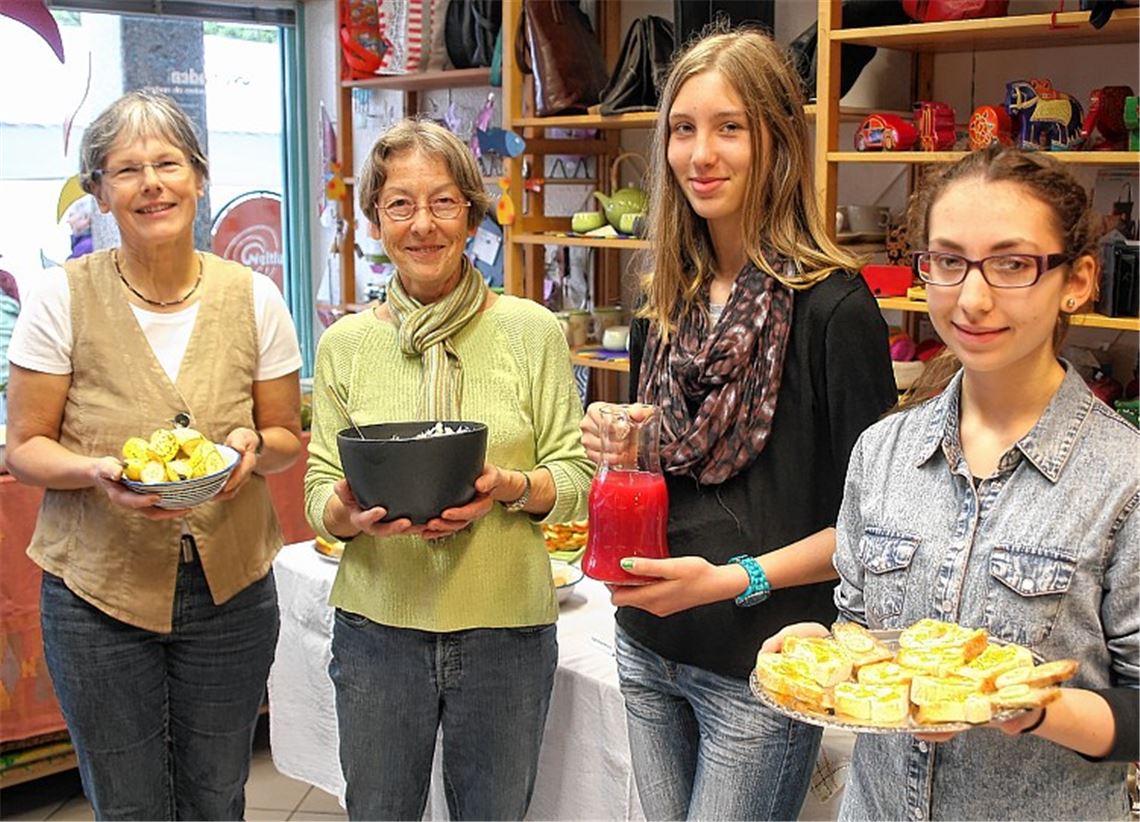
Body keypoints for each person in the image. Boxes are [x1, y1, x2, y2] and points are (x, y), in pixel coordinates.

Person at [578, 28, 897, 820]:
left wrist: (737, 578)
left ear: (777, 139)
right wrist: (624, 441)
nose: (701, 153)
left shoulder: (834, 308)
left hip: (761, 664)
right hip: (648, 647)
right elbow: (666, 466)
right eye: (684, 128)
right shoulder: (667, 299)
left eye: (730, 127)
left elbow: (877, 527)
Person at [766, 146, 1139, 820]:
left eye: (1012, 264)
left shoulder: (1124, 479)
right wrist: (821, 650)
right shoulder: (882, 453)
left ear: (1077, 280)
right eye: (948, 261)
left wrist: (1027, 708)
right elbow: (864, 630)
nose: (972, 298)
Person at [5, 90, 302, 820]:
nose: (151, 184)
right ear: (100, 193)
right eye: (126, 169)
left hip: (230, 591)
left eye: (168, 163)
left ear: (199, 178)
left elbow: (287, 439)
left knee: (215, 793)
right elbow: (26, 449)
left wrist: (249, 451)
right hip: (97, 595)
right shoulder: (59, 298)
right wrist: (94, 472)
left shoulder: (255, 296)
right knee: (129, 803)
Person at [304, 118, 594, 821]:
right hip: (378, 630)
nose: (422, 224)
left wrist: (514, 488)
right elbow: (317, 487)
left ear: (470, 212)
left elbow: (576, 480)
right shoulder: (345, 344)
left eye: (443, 202)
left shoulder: (533, 331)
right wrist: (345, 511)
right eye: (400, 204)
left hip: (506, 636)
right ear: (376, 220)